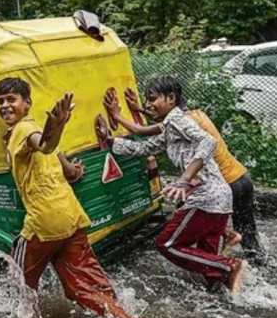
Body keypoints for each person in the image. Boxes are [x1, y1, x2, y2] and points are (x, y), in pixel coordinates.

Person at [0, 77, 155, 318]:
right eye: (0, 101)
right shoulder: (30, 129)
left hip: (44, 222)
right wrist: (73, 166)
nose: (4, 105)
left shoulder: (23, 130)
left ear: (27, 103)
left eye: (11, 99)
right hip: (71, 217)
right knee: (81, 286)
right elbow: (61, 160)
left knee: (17, 277)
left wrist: (53, 130)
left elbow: (44, 144)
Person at [97, 78, 247, 295]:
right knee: (211, 273)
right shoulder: (170, 127)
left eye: (152, 99)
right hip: (219, 198)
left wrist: (184, 179)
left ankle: (230, 267)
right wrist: (110, 141)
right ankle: (225, 296)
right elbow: (146, 147)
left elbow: (208, 142)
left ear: (171, 99)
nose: (148, 105)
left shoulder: (178, 120)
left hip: (206, 197)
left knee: (166, 244)